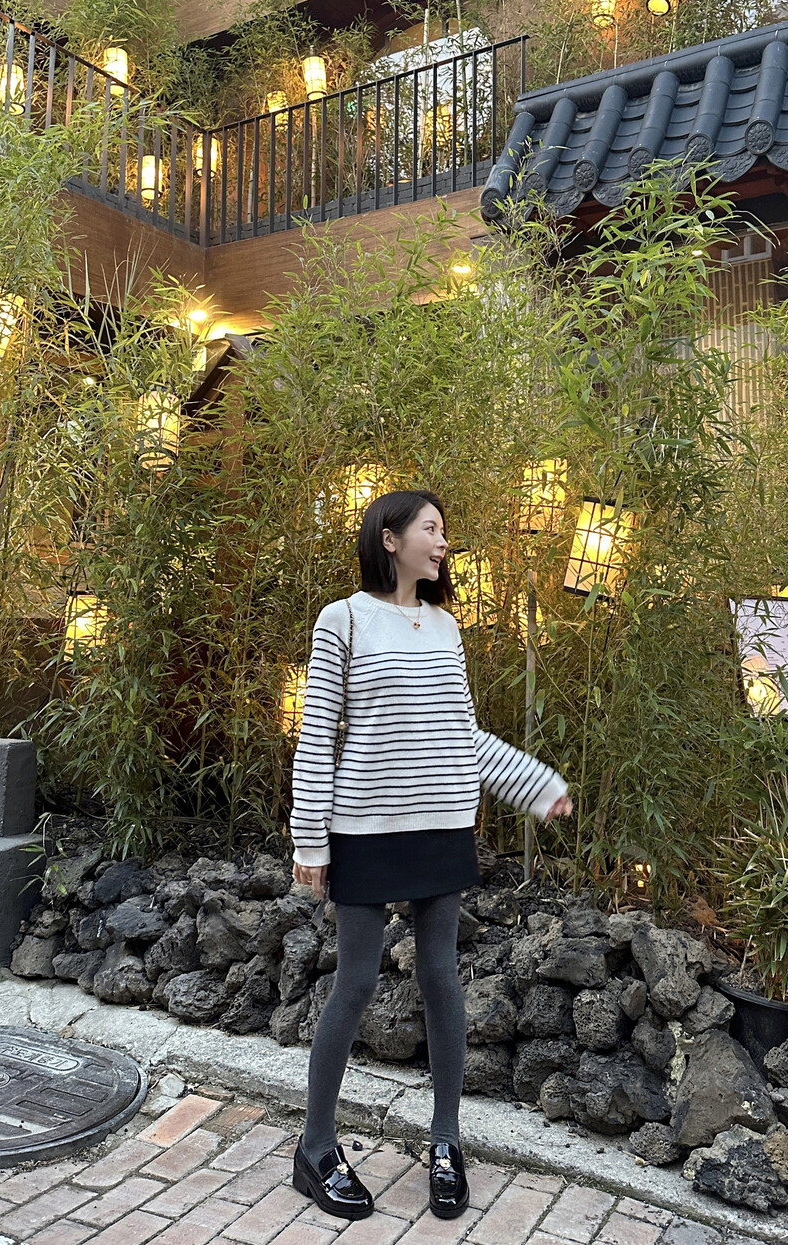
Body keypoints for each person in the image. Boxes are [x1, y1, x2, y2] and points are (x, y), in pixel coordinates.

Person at [289, 488, 572, 1221]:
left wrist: (536, 786)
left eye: (445, 531)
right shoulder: (343, 619)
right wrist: (309, 838)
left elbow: (460, 735)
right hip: (364, 828)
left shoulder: (446, 627)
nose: (444, 542)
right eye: (432, 529)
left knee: (442, 978)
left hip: (443, 825)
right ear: (389, 537)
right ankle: (315, 1148)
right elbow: (317, 735)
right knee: (355, 982)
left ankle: (446, 1141)